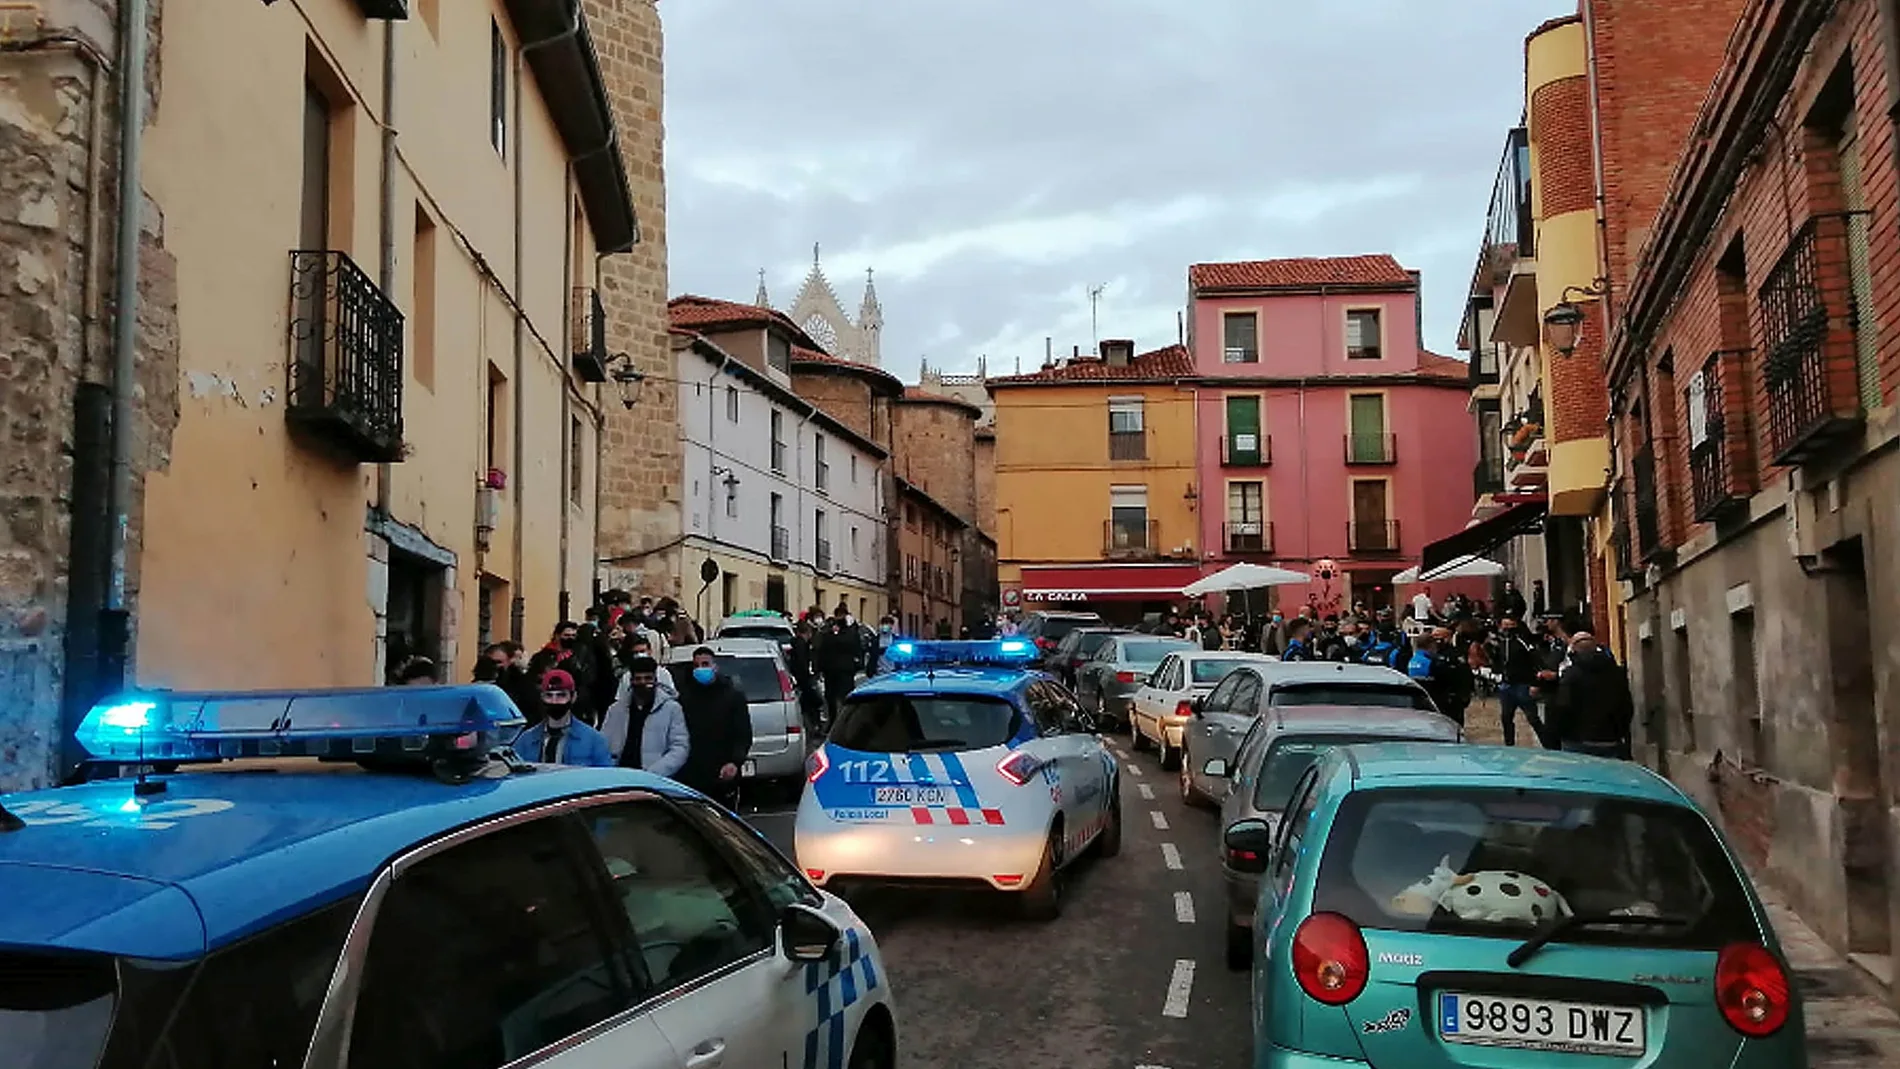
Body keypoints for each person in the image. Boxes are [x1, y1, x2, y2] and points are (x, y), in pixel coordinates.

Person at [673, 647, 753, 806]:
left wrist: (734, 762)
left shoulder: (732, 696)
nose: (700, 669)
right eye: (696, 665)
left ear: (715, 667)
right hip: (692, 774)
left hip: (722, 773)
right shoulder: (684, 697)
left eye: (705, 664)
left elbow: (743, 734)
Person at [1547, 632, 1636, 758]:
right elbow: (1626, 706)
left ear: (1573, 651)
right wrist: (1618, 732)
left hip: (1577, 741)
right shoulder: (1615, 673)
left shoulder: (1571, 675)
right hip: (1610, 740)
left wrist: (1559, 733)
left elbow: (1562, 707)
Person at [603, 656, 691, 776]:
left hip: (653, 779)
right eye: (638, 679)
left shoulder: (671, 709)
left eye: (648, 678)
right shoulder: (616, 709)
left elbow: (680, 748)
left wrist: (655, 773)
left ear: (655, 680)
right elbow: (603, 744)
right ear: (631, 681)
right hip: (619, 777)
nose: (643, 683)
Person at [511, 670, 612, 767]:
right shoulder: (525, 741)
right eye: (549, 695)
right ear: (541, 697)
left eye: (561, 695)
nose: (554, 701)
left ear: (573, 697)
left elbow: (606, 778)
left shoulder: (594, 741)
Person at [1492, 614, 1550, 748]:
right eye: (1504, 626)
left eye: (1510, 626)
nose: (1507, 629)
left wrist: (1535, 683)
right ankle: (1509, 746)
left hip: (1523, 685)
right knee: (1506, 718)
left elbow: (1536, 661)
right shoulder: (1500, 643)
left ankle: (1548, 746)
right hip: (1506, 686)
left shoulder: (1523, 642)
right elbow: (1498, 661)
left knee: (1533, 719)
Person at [815, 608, 864, 724]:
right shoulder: (832, 633)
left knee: (840, 697)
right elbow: (822, 649)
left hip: (840, 671)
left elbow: (855, 648)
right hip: (836, 671)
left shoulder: (845, 633)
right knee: (836, 698)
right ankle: (839, 721)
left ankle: (843, 720)